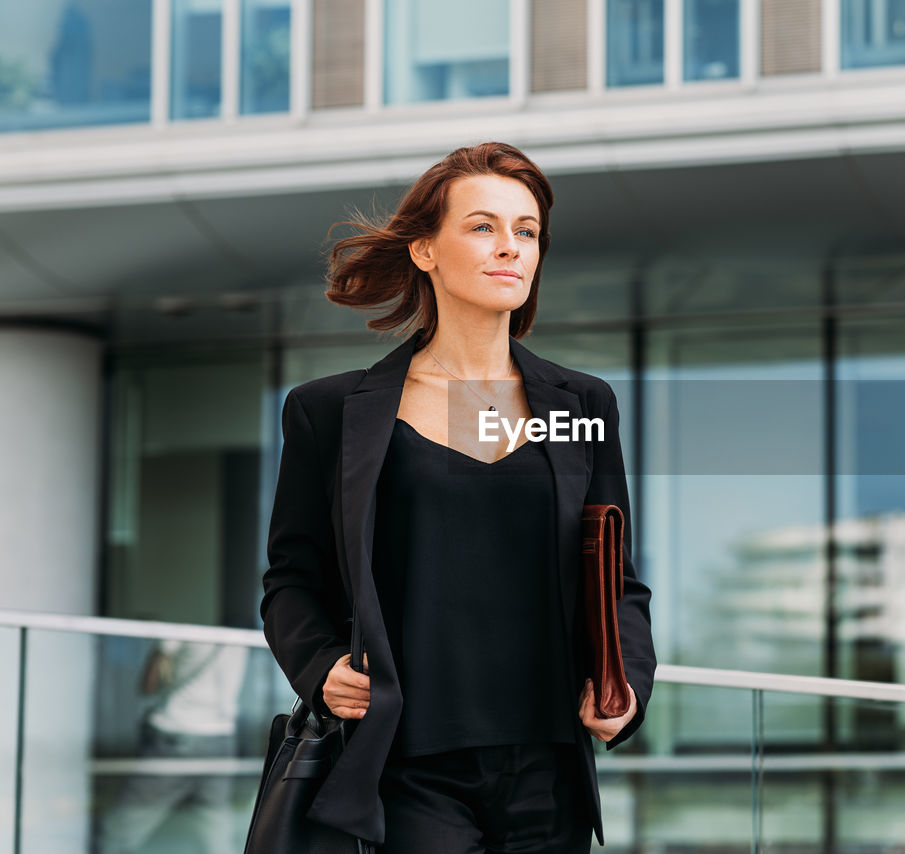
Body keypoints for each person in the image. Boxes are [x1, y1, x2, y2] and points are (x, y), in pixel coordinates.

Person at [260, 141, 657, 853]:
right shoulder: (330, 412)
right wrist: (321, 667)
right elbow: (291, 580)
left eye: (526, 231)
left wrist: (625, 685)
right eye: (482, 227)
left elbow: (620, 581)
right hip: (407, 767)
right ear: (425, 251)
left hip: (551, 766)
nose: (510, 248)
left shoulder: (582, 403)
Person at [98, 640, 249, 854]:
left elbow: (148, 686)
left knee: (121, 830)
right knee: (216, 835)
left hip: (176, 733)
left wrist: (159, 651)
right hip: (221, 738)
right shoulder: (240, 634)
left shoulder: (181, 627)